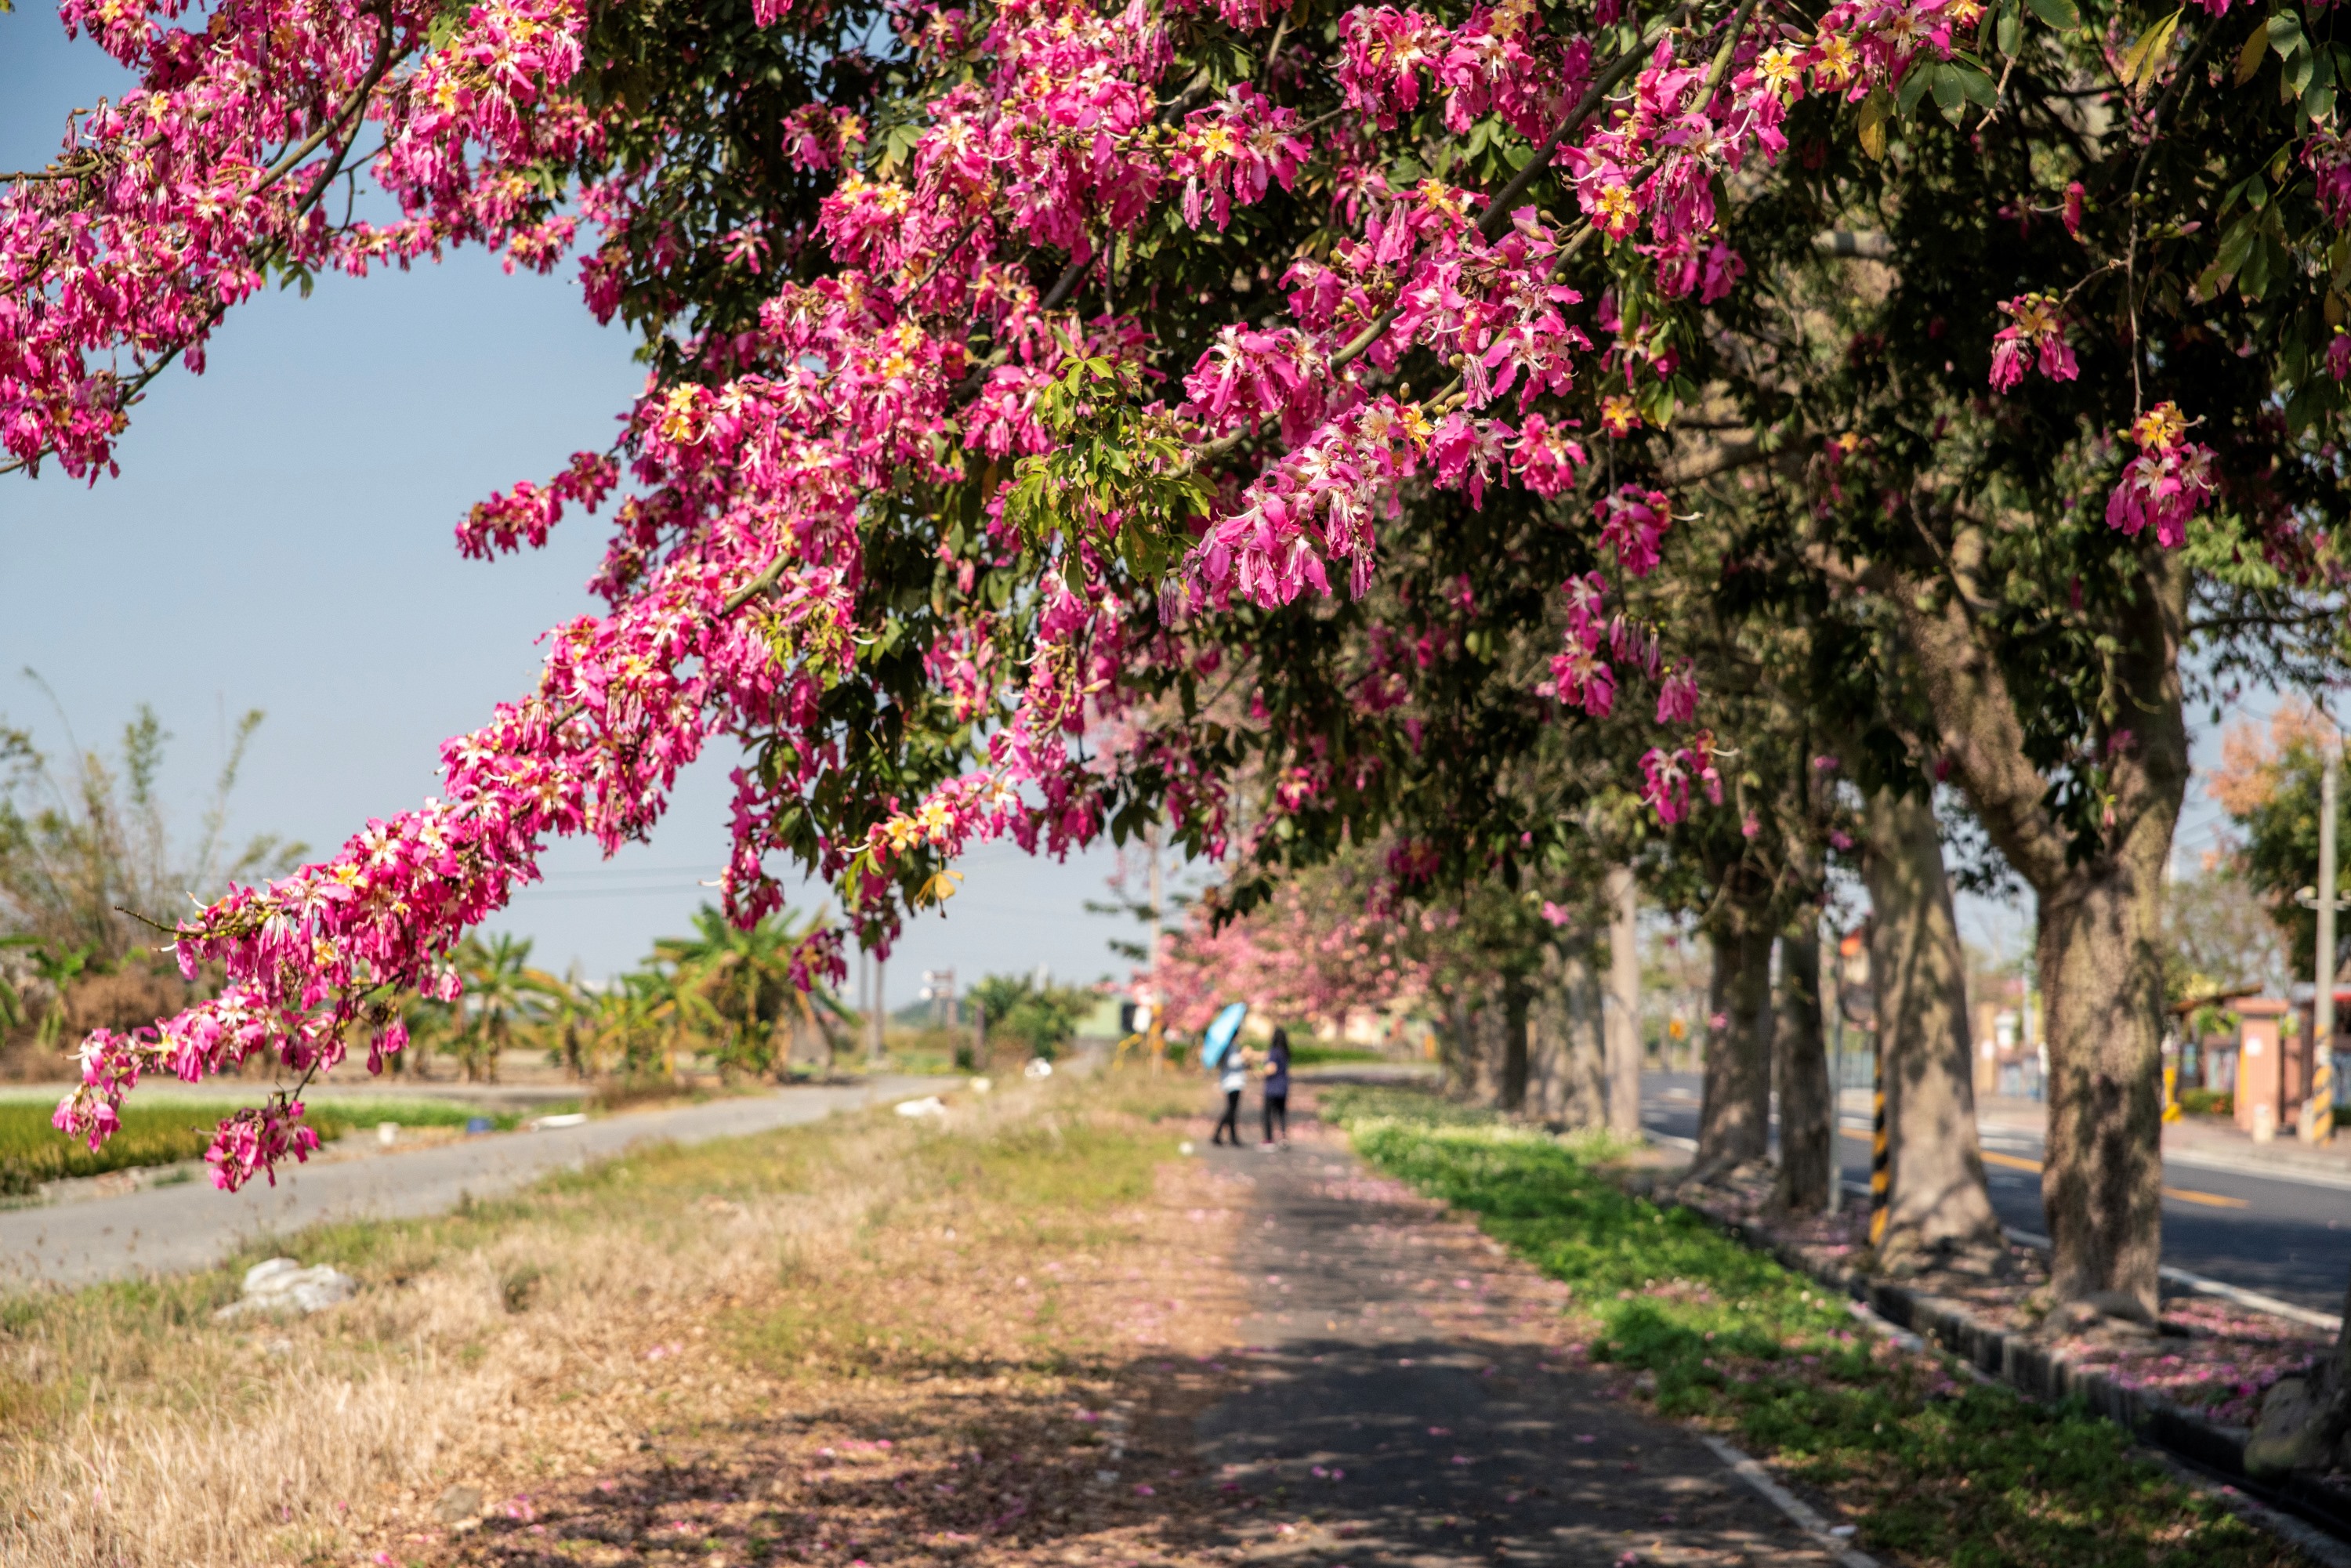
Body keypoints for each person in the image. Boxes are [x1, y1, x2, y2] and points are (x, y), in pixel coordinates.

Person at [1212, 1043, 1248, 1146]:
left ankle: (1233, 1137)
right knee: (1231, 1110)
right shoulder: (1229, 1048)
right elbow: (1232, 1063)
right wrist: (1243, 1057)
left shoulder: (1233, 1047)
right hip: (1232, 1083)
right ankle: (1217, 1133)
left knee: (1233, 1110)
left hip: (1236, 1083)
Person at [1262, 1027, 1291, 1146]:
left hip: (1272, 1088)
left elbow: (1271, 1069)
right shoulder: (1285, 1052)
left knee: (1268, 1114)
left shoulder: (1274, 1052)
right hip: (1283, 1087)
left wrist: (1261, 1071)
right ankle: (1284, 1137)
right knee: (1281, 1113)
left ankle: (1269, 1139)